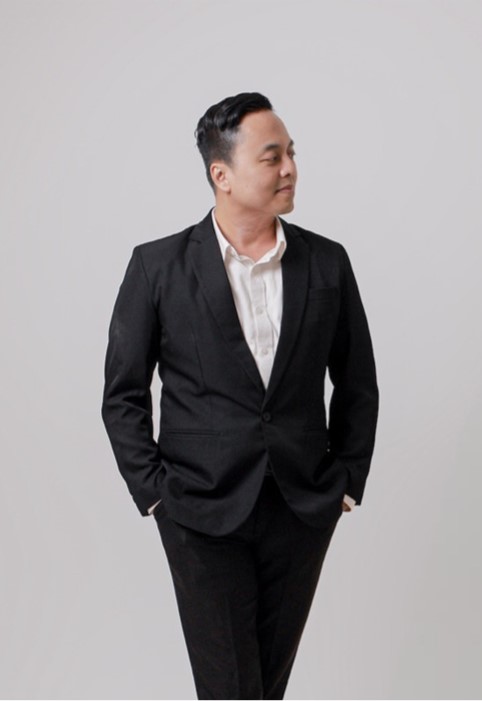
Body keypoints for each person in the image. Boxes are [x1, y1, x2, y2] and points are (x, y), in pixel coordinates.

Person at [101, 91, 379, 700]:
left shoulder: (327, 263)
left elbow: (357, 381)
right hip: (198, 509)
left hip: (302, 506)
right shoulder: (157, 267)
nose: (289, 169)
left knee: (266, 687)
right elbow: (122, 393)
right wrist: (155, 494)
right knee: (229, 689)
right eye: (271, 157)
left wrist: (347, 481)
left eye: (292, 154)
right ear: (220, 175)